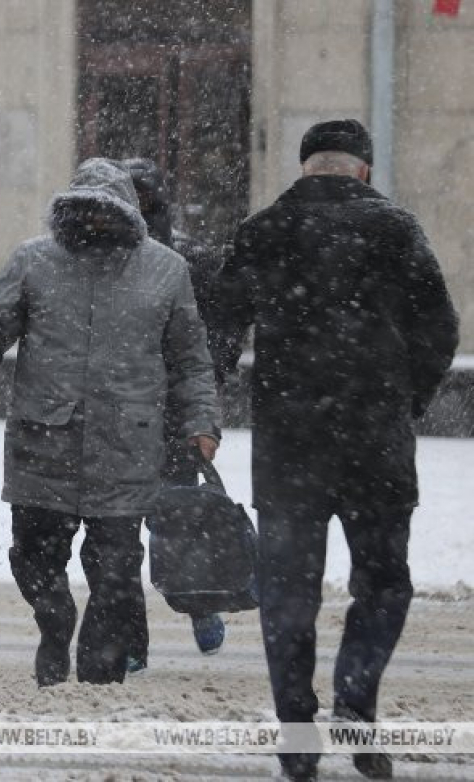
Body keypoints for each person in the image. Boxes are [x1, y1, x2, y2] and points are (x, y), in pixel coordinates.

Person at [210, 119, 458, 782]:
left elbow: (220, 325)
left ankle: (297, 733)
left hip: (290, 446)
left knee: (288, 592)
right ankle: (355, 700)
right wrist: (405, 399)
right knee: (382, 584)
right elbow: (440, 325)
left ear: (305, 167)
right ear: (364, 170)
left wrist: (215, 394)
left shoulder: (263, 229)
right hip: (375, 444)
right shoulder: (396, 229)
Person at [0, 158, 220, 687]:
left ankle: (101, 680)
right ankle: (55, 622)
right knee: (33, 558)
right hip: (42, 443)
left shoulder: (166, 270)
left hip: (126, 449)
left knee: (116, 576)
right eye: (85, 211)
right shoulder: (34, 261)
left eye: (107, 212)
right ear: (68, 210)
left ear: (129, 213)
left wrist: (203, 422)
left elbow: (191, 359)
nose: (96, 222)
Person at [122, 158, 228, 663]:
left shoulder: (191, 259)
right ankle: (128, 635)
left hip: (170, 416)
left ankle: (198, 604)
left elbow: (220, 331)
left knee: (177, 521)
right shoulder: (102, 259)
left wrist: (204, 389)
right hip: (119, 413)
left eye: (144, 197)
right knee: (117, 532)